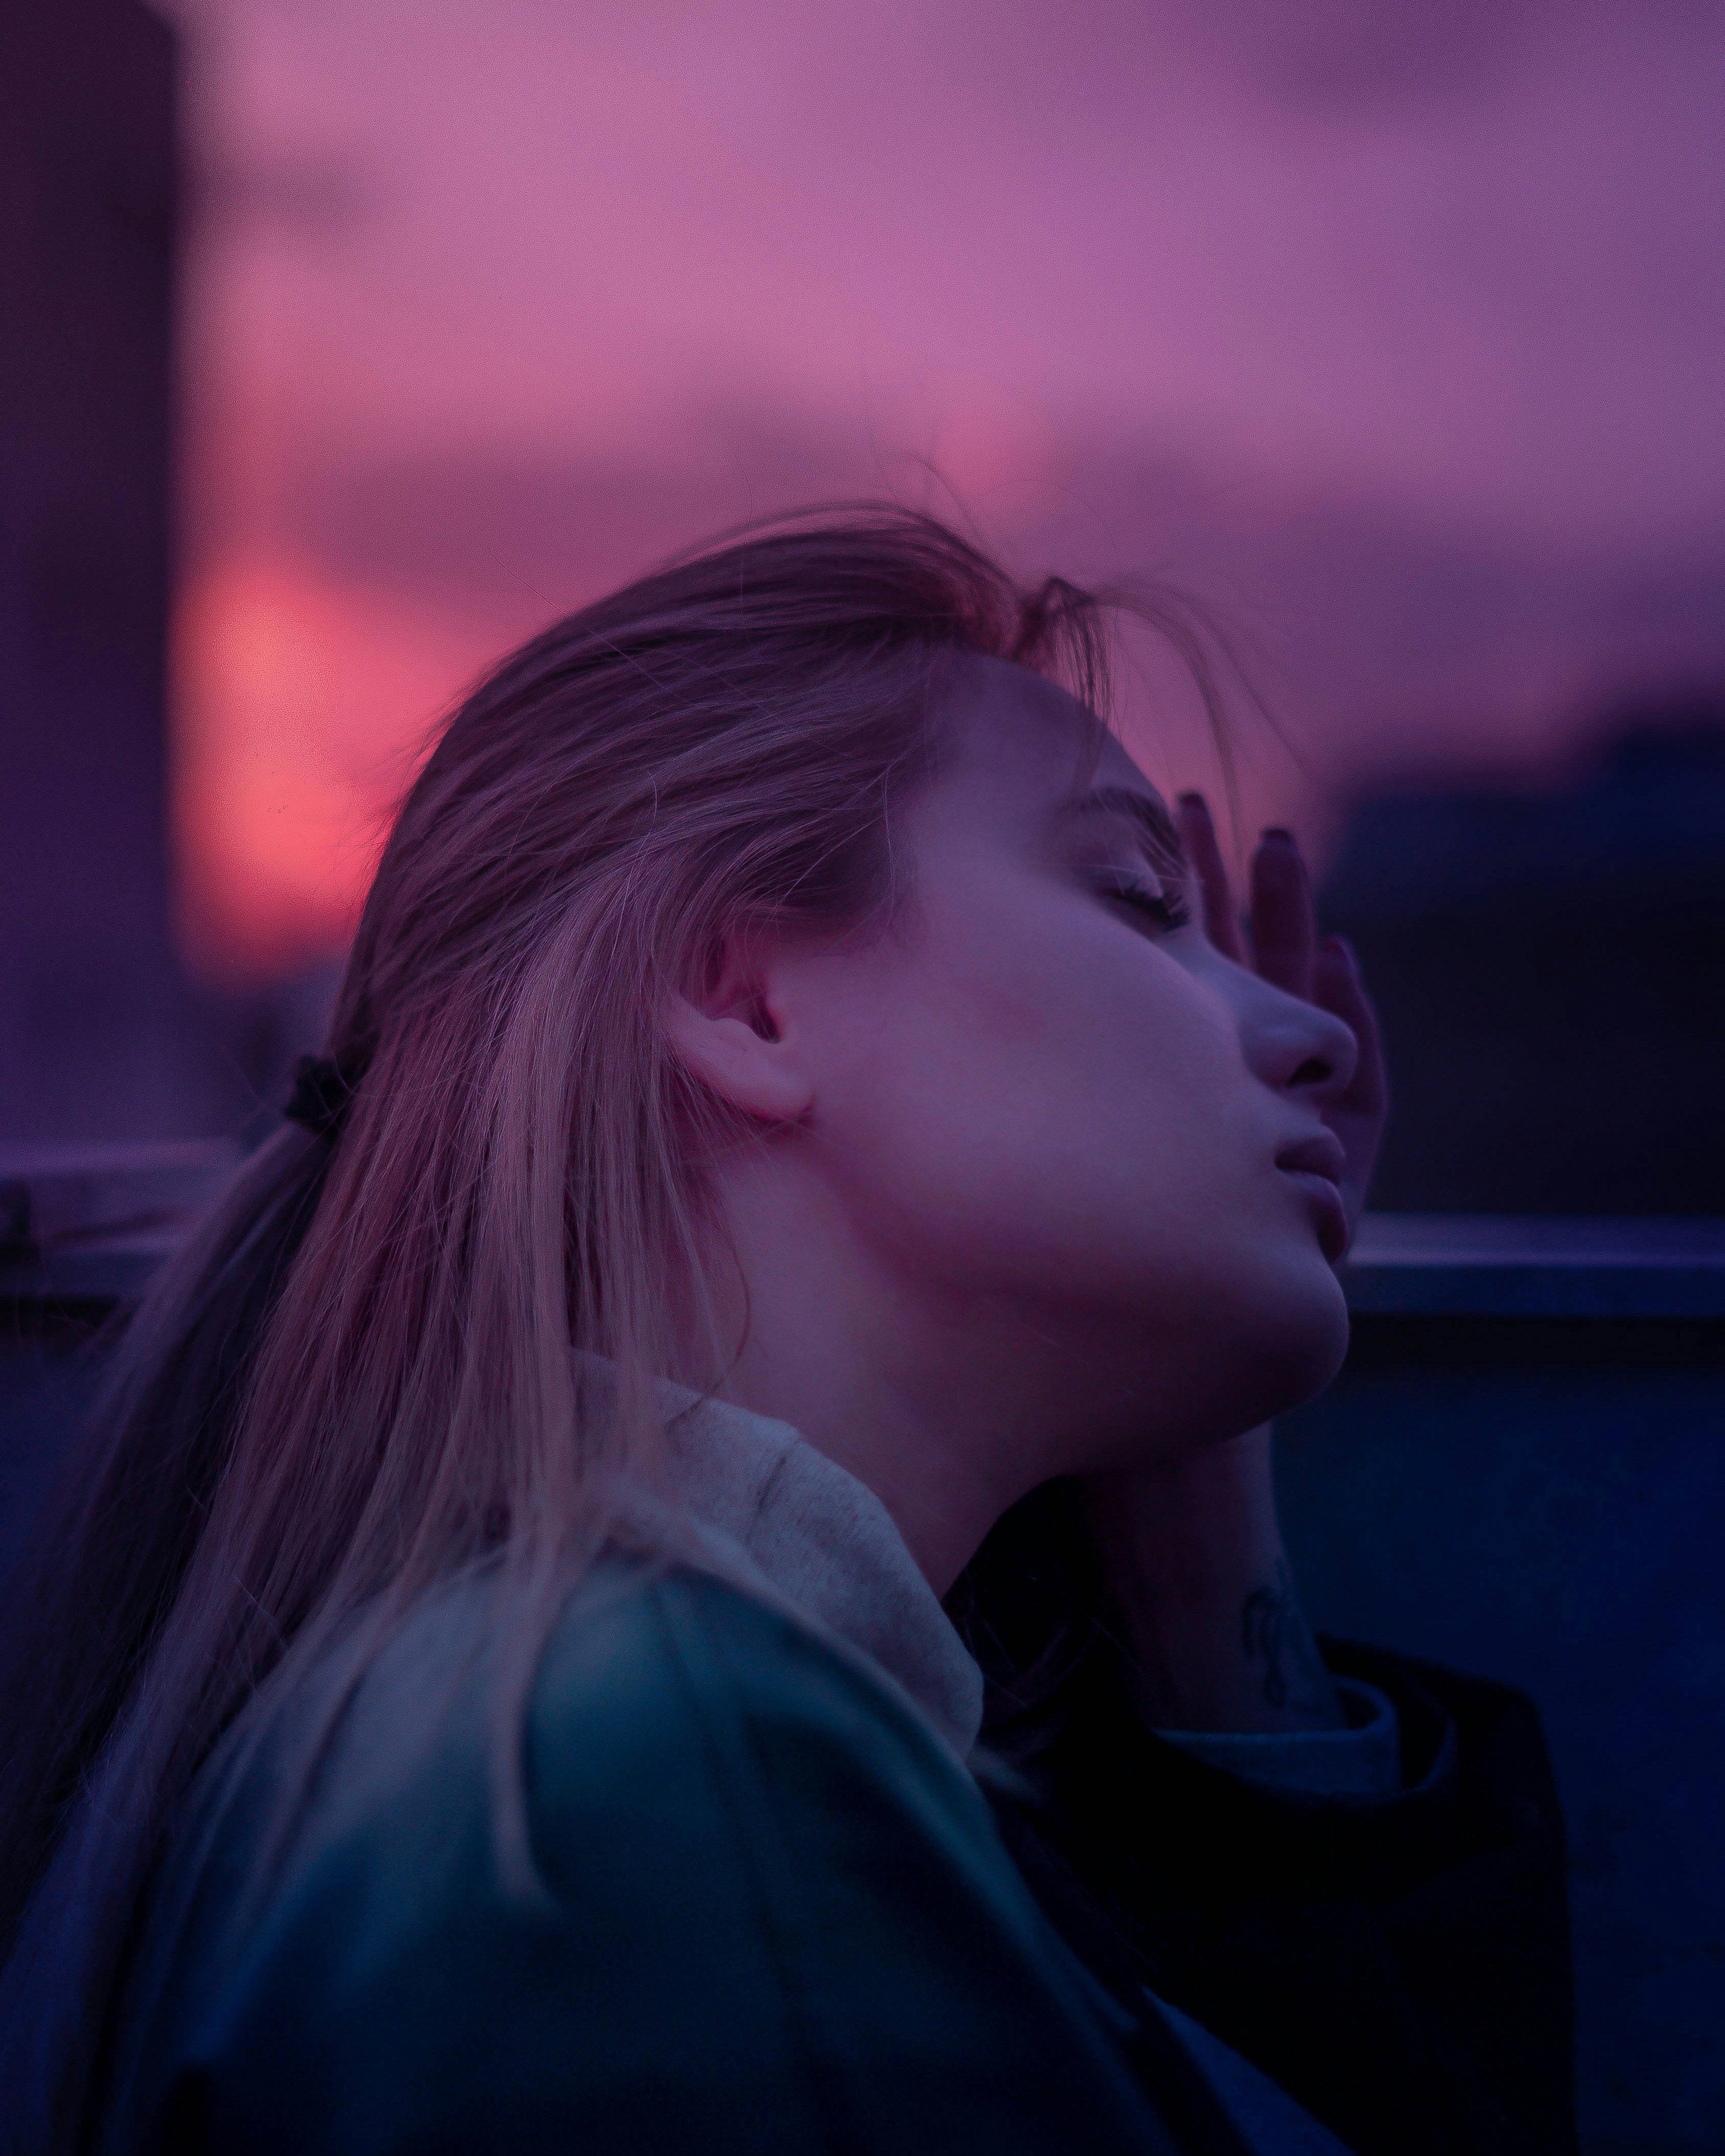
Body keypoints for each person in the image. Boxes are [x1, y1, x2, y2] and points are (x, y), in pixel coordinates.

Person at [0, 509, 1572, 2154]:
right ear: (745, 997)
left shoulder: (628, 1739)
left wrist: (1206, 1564)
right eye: (1132, 895)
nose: (1316, 1028)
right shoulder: (662, 1801)